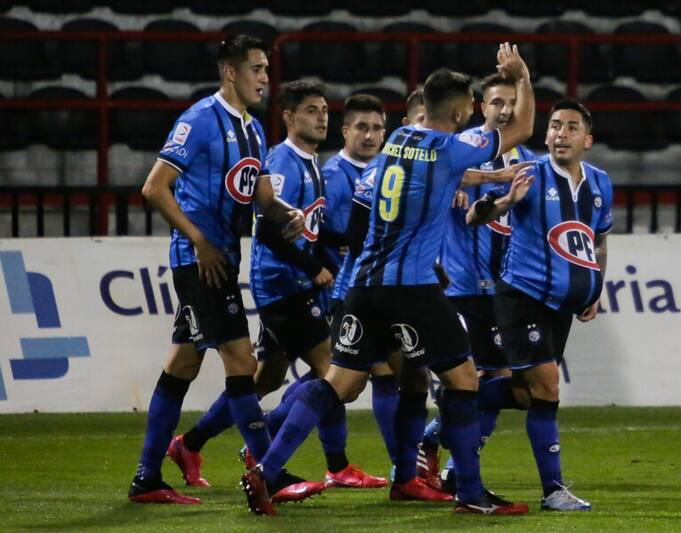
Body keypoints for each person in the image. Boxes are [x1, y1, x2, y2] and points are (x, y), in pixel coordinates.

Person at [240, 42, 536, 517]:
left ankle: (266, 470)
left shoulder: (398, 140)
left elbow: (434, 178)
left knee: (336, 382)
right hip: (412, 287)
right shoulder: (450, 146)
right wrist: (521, 77)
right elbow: (521, 127)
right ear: (461, 110)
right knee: (464, 381)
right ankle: (471, 493)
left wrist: (479, 181)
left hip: (362, 283)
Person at [171, 82, 386, 498]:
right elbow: (268, 230)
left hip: (292, 283)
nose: (321, 117)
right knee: (334, 374)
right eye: (311, 110)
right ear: (289, 116)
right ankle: (328, 465)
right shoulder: (283, 162)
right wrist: (316, 265)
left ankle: (190, 443)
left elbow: (308, 225)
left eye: (324, 109)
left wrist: (342, 241)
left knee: (265, 377)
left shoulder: (309, 162)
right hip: (284, 286)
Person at [127, 34, 304, 507]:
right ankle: (271, 473)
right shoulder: (201, 120)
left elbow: (263, 196)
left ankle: (148, 478)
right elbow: (154, 187)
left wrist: (291, 215)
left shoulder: (253, 128)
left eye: (267, 69)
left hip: (221, 259)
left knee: (183, 362)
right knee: (244, 363)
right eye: (257, 69)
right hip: (200, 263)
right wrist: (199, 240)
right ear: (231, 72)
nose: (266, 78)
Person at [467, 98, 613, 511]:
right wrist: (505, 203)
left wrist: (595, 287)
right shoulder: (528, 172)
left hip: (561, 305)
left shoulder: (600, 183)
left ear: (587, 138)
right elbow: (477, 215)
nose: (559, 134)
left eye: (570, 127)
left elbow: (597, 240)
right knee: (547, 387)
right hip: (522, 295)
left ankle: (460, 402)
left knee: (528, 394)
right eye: (553, 126)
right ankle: (553, 491)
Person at [417, 72, 536, 489]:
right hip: (464, 288)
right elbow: (460, 201)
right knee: (491, 379)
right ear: (480, 107)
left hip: (509, 290)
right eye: (495, 102)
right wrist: (489, 196)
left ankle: (436, 449)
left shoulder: (527, 160)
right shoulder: (463, 152)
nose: (504, 110)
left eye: (510, 102)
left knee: (501, 381)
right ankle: (446, 462)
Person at [321, 95, 402, 475]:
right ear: (345, 131)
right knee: (373, 375)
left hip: (378, 290)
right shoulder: (333, 176)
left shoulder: (389, 170)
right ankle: (405, 468)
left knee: (341, 382)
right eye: (362, 128)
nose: (370, 136)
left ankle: (264, 440)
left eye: (376, 129)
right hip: (344, 291)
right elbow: (320, 234)